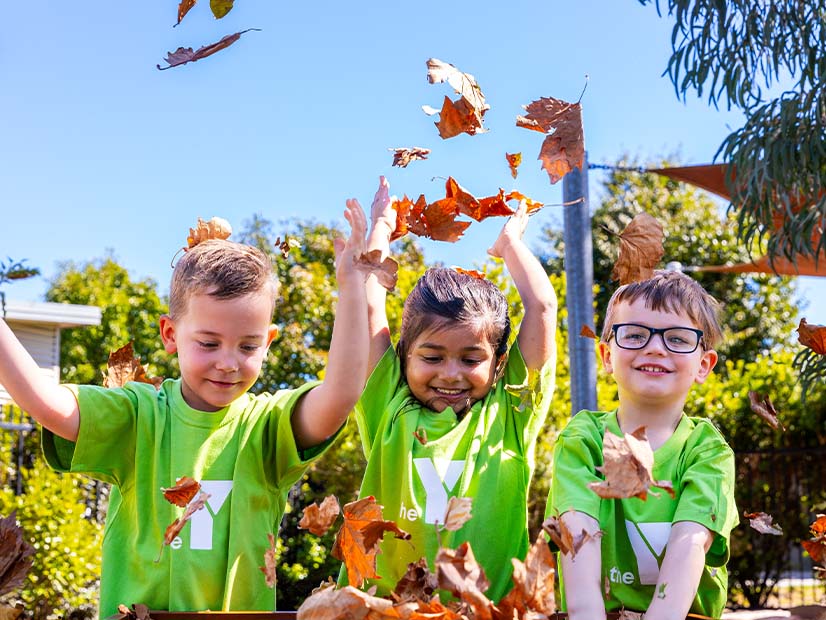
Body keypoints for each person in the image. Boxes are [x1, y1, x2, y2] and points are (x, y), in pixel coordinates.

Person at [0, 201, 371, 616]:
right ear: (170, 333)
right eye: (208, 343)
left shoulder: (268, 426)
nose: (228, 362)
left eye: (248, 346)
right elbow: (46, 403)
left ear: (269, 342)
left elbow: (340, 396)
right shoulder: (139, 415)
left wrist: (352, 286)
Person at [340, 177, 558, 601]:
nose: (451, 374)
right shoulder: (388, 403)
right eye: (433, 357)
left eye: (472, 359)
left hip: (490, 613)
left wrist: (510, 243)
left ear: (498, 364)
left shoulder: (510, 414)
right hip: (389, 611)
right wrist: (383, 228)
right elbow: (369, 301)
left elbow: (542, 307)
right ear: (403, 357)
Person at [546, 270, 738, 620]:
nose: (655, 346)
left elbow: (690, 541)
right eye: (634, 335)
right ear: (606, 356)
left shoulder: (706, 449)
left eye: (678, 339)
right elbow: (578, 537)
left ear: (704, 365)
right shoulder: (583, 439)